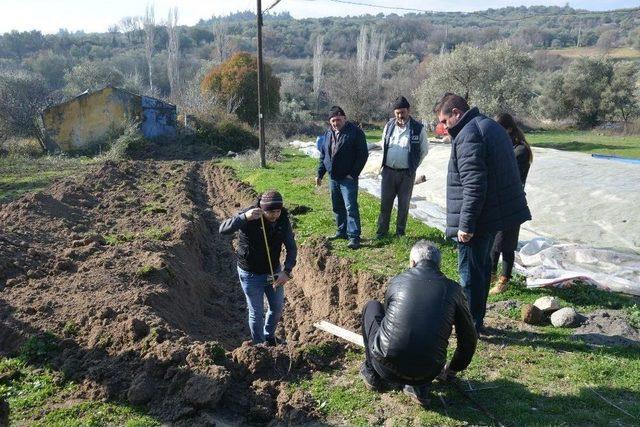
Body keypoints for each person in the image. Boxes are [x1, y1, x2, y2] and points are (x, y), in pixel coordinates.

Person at [433, 93, 531, 333]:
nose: (444, 127)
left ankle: (470, 326)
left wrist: (465, 225)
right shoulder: (489, 126)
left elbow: (474, 184)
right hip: (490, 217)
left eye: (445, 121)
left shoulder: (469, 135)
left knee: (470, 275)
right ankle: (476, 320)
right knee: (482, 270)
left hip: (476, 220)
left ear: (456, 113)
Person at [360, 240, 477, 405]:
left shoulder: (397, 281)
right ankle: (419, 387)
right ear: (438, 264)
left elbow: (388, 322)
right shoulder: (454, 290)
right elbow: (469, 339)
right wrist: (453, 368)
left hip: (385, 367)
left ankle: (372, 372)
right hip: (428, 372)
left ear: (413, 262)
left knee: (371, 306)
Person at [219, 190, 297, 345]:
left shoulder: (283, 220)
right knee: (256, 312)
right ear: (262, 209)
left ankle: (269, 336)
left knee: (277, 308)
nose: (274, 215)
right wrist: (244, 218)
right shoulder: (249, 217)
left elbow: (291, 248)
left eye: (277, 211)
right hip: (250, 274)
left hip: (273, 272)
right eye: (270, 212)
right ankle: (259, 344)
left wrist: (286, 271)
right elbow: (223, 229)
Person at [489, 113, 534, 295]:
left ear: (507, 129)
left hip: (512, 201)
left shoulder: (520, 151)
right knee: (497, 240)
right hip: (501, 200)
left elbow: (504, 173)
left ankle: (502, 280)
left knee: (504, 243)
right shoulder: (507, 146)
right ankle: (491, 275)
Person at [316, 106, 369, 249]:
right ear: (330, 122)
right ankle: (341, 231)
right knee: (337, 206)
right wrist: (320, 173)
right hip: (333, 178)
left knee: (350, 207)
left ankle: (354, 236)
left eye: (338, 119)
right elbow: (323, 155)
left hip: (348, 178)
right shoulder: (328, 134)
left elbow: (363, 155)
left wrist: (353, 174)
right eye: (333, 120)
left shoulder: (355, 133)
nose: (336, 123)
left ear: (344, 118)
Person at [376, 96, 429, 239]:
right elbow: (383, 145)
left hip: (407, 174)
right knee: (385, 203)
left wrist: (412, 167)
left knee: (403, 205)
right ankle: (382, 232)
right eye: (398, 112)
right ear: (394, 112)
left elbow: (424, 151)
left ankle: (400, 233)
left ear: (408, 111)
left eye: (403, 112)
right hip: (388, 172)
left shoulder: (418, 129)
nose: (400, 116)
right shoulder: (389, 126)